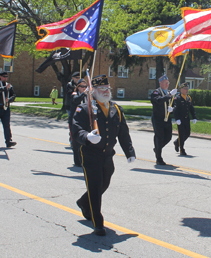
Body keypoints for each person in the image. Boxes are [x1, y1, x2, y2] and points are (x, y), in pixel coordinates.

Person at [72, 74, 136, 236]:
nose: (106, 91)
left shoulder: (116, 109)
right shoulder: (85, 109)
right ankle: (98, 222)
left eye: (107, 88)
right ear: (93, 90)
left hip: (108, 155)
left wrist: (129, 151)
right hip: (90, 155)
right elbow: (75, 129)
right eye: (102, 88)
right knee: (94, 188)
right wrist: (87, 137)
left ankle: (83, 202)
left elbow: (123, 133)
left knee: (104, 184)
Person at [150, 74, 177, 165]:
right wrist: (169, 95)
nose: (167, 84)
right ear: (160, 83)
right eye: (165, 83)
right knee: (159, 137)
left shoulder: (170, 93)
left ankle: (157, 148)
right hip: (158, 119)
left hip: (167, 119)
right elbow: (158, 100)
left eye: (168, 83)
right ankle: (159, 158)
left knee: (168, 137)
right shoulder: (156, 92)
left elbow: (175, 105)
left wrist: (172, 109)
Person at [0, 70, 17, 147]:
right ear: (0, 76)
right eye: (4, 77)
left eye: (6, 77)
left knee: (6, 125)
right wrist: (5, 88)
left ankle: (8, 140)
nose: (5, 78)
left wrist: (9, 100)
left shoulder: (9, 86)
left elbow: (14, 95)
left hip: (6, 108)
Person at [173, 82, 197, 156]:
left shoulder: (188, 97)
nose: (186, 90)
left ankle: (177, 142)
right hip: (180, 119)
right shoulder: (177, 98)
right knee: (181, 134)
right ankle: (182, 149)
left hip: (186, 119)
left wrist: (194, 117)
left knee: (187, 133)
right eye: (185, 89)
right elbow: (175, 109)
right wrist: (177, 119)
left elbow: (191, 108)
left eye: (187, 88)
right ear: (181, 89)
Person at [68, 78, 88, 167]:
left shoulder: (88, 96)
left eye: (85, 86)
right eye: (82, 86)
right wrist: (83, 94)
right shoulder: (75, 94)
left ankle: (84, 159)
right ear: (78, 87)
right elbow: (75, 100)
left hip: (84, 121)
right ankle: (77, 161)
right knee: (76, 142)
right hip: (74, 121)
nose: (84, 88)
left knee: (84, 141)